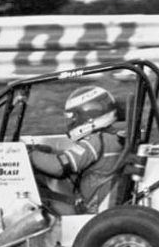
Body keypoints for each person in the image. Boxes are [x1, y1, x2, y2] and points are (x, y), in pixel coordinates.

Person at [27, 85, 125, 214]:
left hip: (90, 210)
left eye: (73, 117)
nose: (71, 121)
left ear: (89, 118)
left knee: (35, 200)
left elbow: (59, 167)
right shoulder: (114, 137)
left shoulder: (95, 142)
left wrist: (29, 154)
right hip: (100, 204)